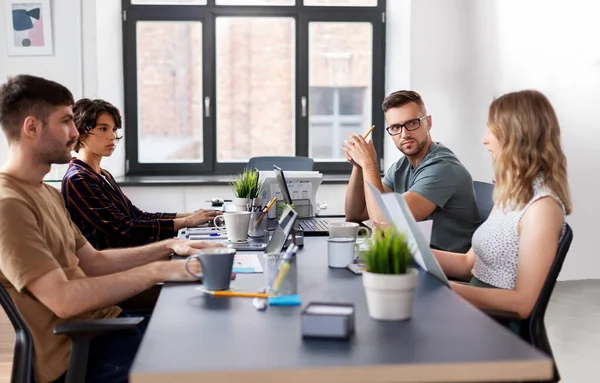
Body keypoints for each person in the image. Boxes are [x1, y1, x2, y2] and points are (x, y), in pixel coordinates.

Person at [0, 75, 220, 383]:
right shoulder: (8, 205)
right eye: (66, 122)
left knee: (211, 335)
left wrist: (170, 247)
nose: (76, 132)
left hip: (108, 326)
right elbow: (63, 299)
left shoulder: (46, 192)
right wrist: (158, 272)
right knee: (212, 362)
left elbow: (94, 261)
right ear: (32, 127)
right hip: (81, 353)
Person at [433, 90, 572, 322]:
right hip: (472, 312)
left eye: (491, 130)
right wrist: (412, 252)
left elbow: (523, 304)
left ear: (517, 135)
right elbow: (469, 264)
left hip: (495, 327)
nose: (484, 139)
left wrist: (443, 290)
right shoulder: (510, 195)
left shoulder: (542, 209)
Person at [61, 98, 220, 250]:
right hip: (112, 264)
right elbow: (123, 229)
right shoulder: (79, 179)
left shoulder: (102, 174)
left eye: (114, 129)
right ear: (80, 133)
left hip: (128, 254)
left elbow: (136, 215)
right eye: (103, 128)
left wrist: (193, 216)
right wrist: (187, 221)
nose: (112, 136)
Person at [343, 90, 479, 253]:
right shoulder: (401, 166)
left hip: (443, 270)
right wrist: (358, 166)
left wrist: (368, 163)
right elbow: (355, 214)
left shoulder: (442, 168)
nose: (404, 134)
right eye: (395, 127)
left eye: (412, 123)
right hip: (413, 257)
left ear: (428, 123)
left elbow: (383, 223)